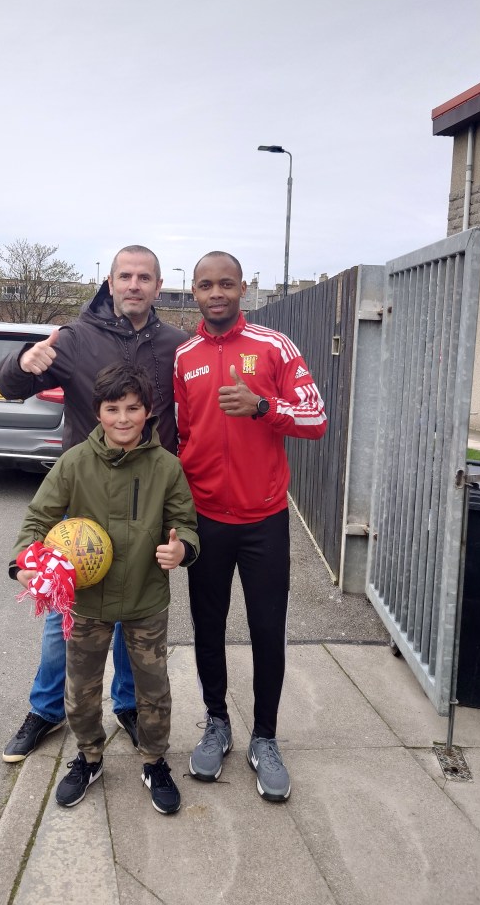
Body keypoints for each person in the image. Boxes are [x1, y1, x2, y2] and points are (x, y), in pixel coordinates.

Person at [0, 245, 186, 762]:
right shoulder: (76, 339)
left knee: (134, 610)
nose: (134, 285)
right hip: (84, 498)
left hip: (146, 497)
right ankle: (47, 708)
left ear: (158, 285)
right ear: (110, 281)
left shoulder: (176, 345)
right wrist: (22, 362)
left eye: (144, 277)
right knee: (68, 613)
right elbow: (9, 386)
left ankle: (128, 705)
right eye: (125, 275)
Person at [9, 363, 199, 814]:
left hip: (145, 599)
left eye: (132, 408)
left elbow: (185, 523)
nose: (123, 418)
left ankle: (154, 761)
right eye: (113, 409)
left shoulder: (167, 467)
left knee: (153, 690)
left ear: (148, 411)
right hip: (87, 602)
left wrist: (182, 550)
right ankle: (89, 757)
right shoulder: (74, 463)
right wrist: (23, 563)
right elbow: (37, 519)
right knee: (81, 689)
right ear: (97, 412)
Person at [173, 251, 327, 802]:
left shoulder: (274, 346)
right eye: (205, 284)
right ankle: (217, 724)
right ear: (193, 292)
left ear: (242, 289)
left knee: (266, 629)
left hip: (265, 519)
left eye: (226, 284)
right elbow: (182, 437)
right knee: (207, 628)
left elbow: (317, 418)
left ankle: (265, 737)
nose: (216, 293)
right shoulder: (183, 356)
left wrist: (264, 407)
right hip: (206, 519)